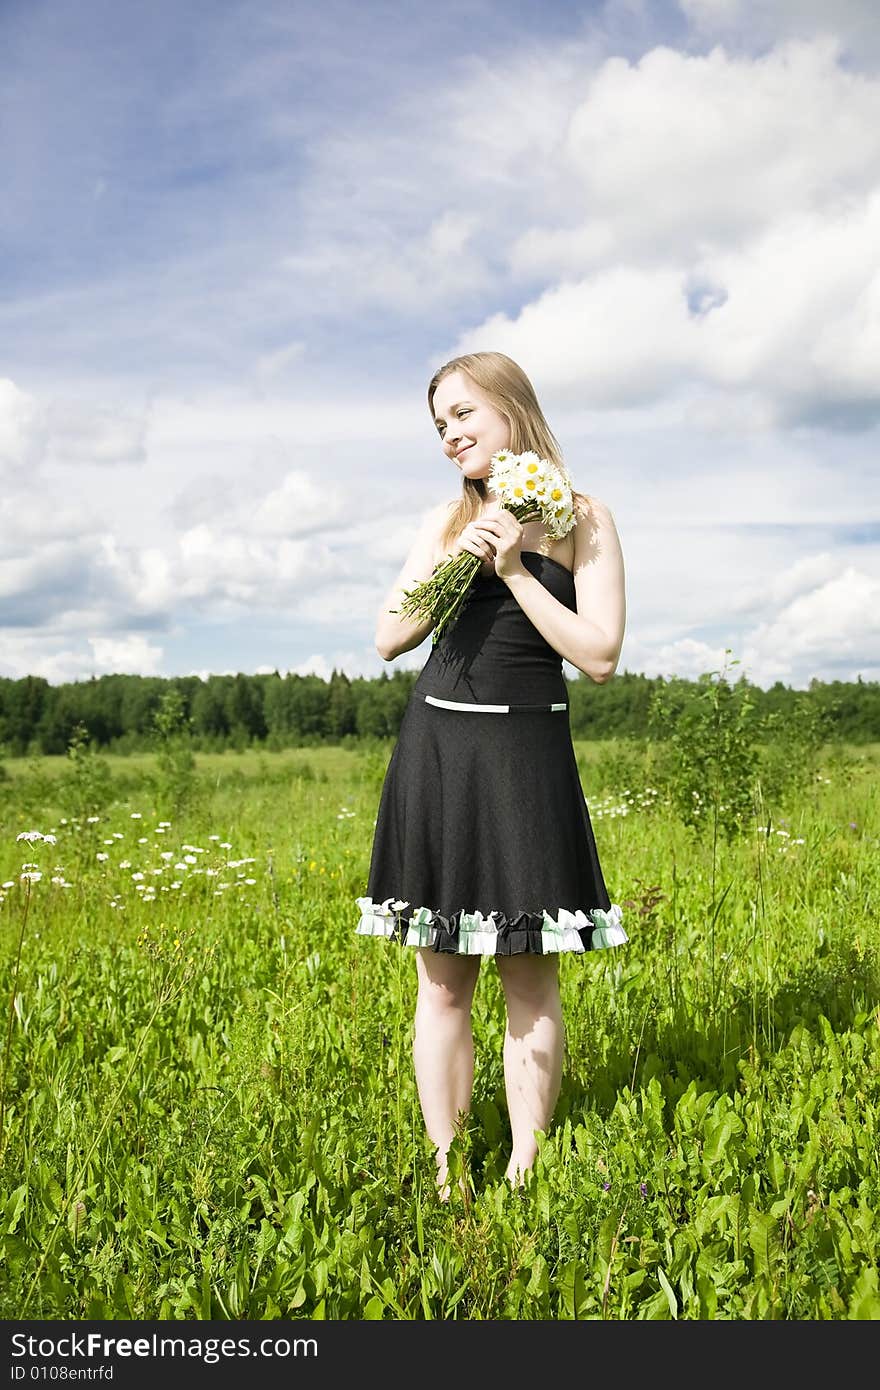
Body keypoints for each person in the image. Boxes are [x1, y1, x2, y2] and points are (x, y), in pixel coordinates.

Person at [356, 350, 627, 1198]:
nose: (451, 436)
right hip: (440, 754)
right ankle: (446, 1168)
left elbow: (601, 656)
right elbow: (389, 638)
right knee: (442, 979)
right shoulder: (445, 520)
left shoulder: (584, 518)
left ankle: (524, 1167)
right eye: (440, 425)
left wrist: (515, 568)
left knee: (530, 973)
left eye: (464, 415)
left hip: (527, 760)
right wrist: (459, 565)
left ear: (512, 407)